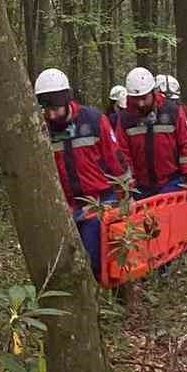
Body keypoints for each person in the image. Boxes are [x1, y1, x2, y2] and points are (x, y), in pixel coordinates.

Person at [36, 67, 129, 276]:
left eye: (55, 109)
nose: (51, 115)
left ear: (66, 100)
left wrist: (125, 195)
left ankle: (111, 295)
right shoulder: (42, 129)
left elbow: (115, 159)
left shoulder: (93, 120)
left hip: (100, 201)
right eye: (46, 110)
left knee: (94, 257)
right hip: (66, 206)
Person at [118, 66, 187, 197]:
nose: (141, 103)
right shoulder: (126, 118)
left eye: (144, 98)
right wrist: (128, 186)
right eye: (136, 99)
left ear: (153, 92)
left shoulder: (173, 111)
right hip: (140, 187)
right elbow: (123, 154)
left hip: (171, 181)